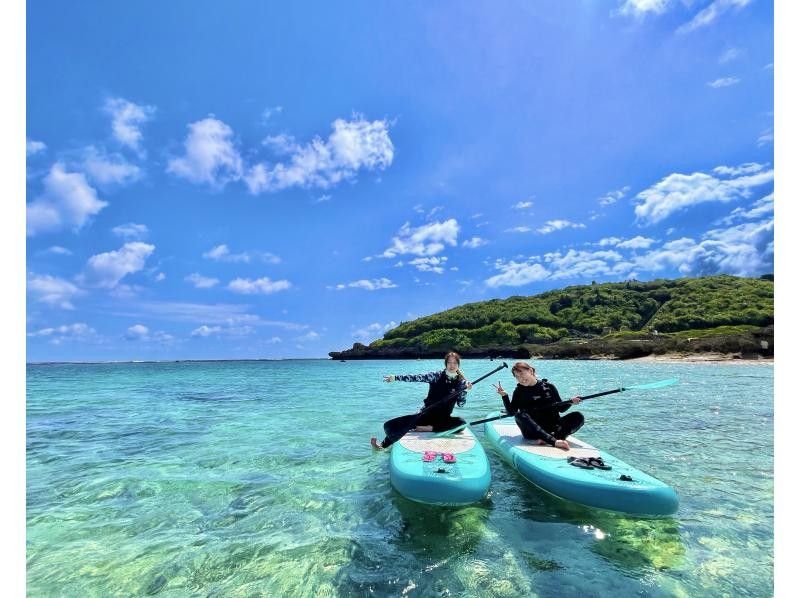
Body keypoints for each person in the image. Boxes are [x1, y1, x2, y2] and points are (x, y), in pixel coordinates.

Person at [370, 351, 473, 450]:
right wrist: (396, 377)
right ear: (445, 364)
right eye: (449, 362)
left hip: (443, 418)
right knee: (406, 424)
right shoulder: (436, 376)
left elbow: (461, 404)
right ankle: (382, 445)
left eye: (455, 363)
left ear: (458, 365)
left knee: (461, 423)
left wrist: (465, 391)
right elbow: (416, 377)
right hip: (427, 414)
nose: (452, 365)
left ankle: (430, 428)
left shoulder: (461, 383)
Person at [493, 361, 583, 451]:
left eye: (522, 374)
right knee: (519, 415)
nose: (521, 379)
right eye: (517, 376)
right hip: (533, 432)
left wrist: (570, 402)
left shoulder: (549, 386)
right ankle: (554, 441)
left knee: (578, 416)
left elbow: (561, 408)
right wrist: (504, 396)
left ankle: (554, 437)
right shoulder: (519, 391)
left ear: (531, 371)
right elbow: (512, 412)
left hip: (553, 428)